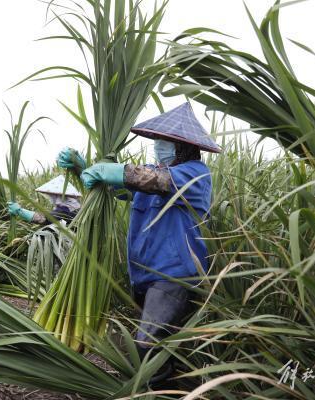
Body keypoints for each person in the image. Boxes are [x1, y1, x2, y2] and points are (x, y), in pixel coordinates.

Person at [57, 102, 221, 381]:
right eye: (157, 141)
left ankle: (158, 390)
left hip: (174, 275)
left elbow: (150, 180)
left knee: (147, 344)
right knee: (160, 343)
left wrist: (108, 170)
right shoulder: (152, 171)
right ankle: (174, 384)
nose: (159, 147)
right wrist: (86, 167)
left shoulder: (195, 174)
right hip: (144, 275)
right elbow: (122, 185)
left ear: (184, 146)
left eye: (165, 142)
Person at [6, 175, 81, 225]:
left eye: (52, 195)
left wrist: (20, 211)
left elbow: (46, 218)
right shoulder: (75, 205)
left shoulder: (67, 209)